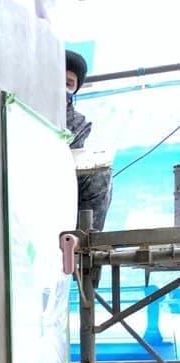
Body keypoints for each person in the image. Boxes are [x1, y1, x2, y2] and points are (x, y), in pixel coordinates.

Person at [66, 49, 112, 232]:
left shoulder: (77, 123)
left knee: (99, 174)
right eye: (57, 80)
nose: (62, 88)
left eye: (68, 84)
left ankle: (85, 239)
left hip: (61, 189)